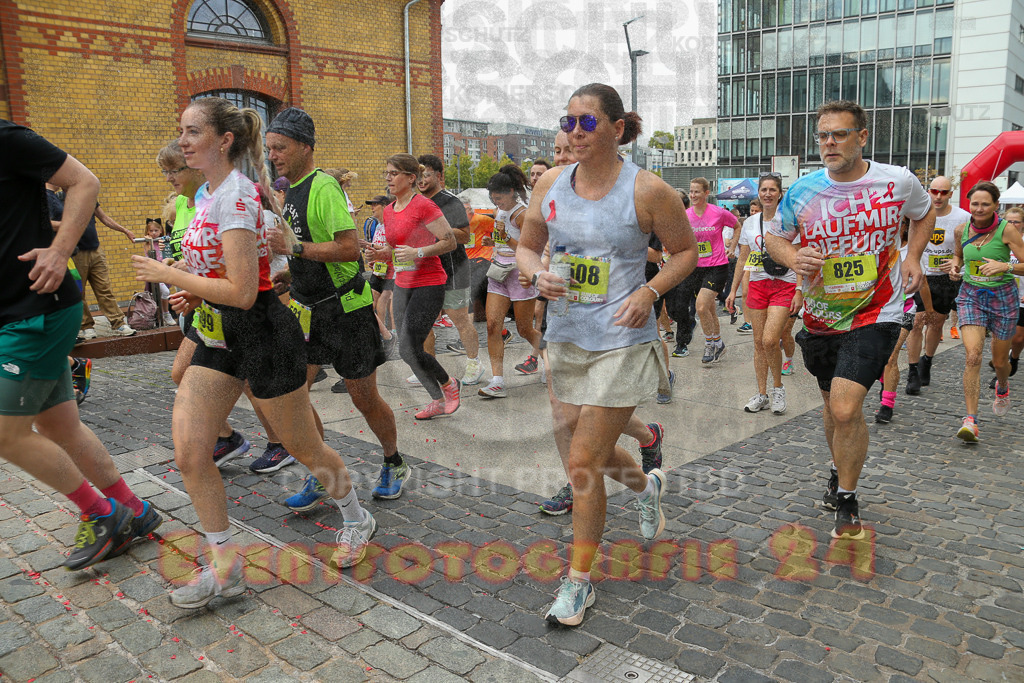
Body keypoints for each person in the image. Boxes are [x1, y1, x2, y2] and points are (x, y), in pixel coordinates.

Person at [131, 97, 377, 608]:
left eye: (193, 131)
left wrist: (170, 275)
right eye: (181, 130)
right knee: (190, 453)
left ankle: (356, 516)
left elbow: (245, 292)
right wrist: (194, 286)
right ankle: (226, 569)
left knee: (306, 448)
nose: (183, 141)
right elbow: (221, 272)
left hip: (264, 335)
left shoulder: (238, 196)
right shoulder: (206, 194)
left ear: (224, 140)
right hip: (217, 335)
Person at [517, 83, 696, 626]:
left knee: (581, 461)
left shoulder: (648, 190)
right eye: (568, 121)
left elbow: (685, 252)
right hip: (567, 336)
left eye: (587, 121)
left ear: (617, 129)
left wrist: (649, 291)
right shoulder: (550, 183)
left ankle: (578, 582)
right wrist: (536, 274)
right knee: (581, 447)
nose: (575, 131)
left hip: (622, 341)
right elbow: (527, 247)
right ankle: (646, 486)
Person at [765, 99, 934, 540]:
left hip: (878, 311)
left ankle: (847, 497)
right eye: (823, 135)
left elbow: (923, 213)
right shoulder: (802, 190)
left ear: (861, 137)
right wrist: (793, 256)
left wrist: (913, 256)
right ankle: (838, 470)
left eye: (839, 134)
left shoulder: (897, 181)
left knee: (844, 406)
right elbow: (775, 238)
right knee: (832, 407)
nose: (829, 143)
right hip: (821, 317)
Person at [1, 119, 161, 570]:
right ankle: (134, 508)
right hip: (18, 314)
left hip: (35, 311)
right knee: (59, 426)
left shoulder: (6, 139)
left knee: (6, 433)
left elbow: (85, 182)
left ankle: (103, 514)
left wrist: (59, 250)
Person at [258, 107, 403, 504]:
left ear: (305, 146)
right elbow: (308, 248)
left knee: (363, 398)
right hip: (306, 309)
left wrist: (295, 249)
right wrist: (291, 273)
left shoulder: (323, 187)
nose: (272, 155)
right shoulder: (291, 189)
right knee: (293, 396)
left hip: (346, 310)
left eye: (280, 147)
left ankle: (393, 461)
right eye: (269, 148)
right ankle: (324, 472)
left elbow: (349, 248)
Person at [158, 140, 251, 467]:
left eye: (173, 170)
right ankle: (226, 439)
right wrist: (182, 273)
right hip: (207, 307)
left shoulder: (231, 196)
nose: (168, 177)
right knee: (182, 374)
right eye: (165, 171)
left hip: (242, 310)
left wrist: (179, 274)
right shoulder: (189, 202)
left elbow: (237, 265)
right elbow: (198, 256)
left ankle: (283, 444)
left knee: (265, 396)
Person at [365, 154, 460, 420]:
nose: (388, 178)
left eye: (393, 173)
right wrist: (379, 253)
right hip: (402, 284)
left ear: (410, 178)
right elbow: (395, 249)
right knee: (406, 351)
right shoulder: (388, 210)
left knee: (410, 346)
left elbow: (450, 242)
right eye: (387, 173)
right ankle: (437, 400)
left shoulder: (424, 206)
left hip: (429, 283)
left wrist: (418, 252)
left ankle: (449, 384)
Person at [942, 182, 1024, 441]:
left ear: (996, 205)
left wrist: (1004, 266)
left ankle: (1003, 385)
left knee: (1000, 362)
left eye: (985, 204)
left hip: (1003, 298)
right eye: (975, 204)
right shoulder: (961, 229)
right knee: (973, 356)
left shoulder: (1007, 230)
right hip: (972, 296)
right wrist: (955, 267)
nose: (979, 209)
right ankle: (971, 420)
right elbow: (958, 256)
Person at [725, 173, 802, 415]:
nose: (767, 194)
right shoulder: (750, 223)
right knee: (758, 343)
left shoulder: (790, 221)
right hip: (758, 285)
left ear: (780, 194)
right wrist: (733, 290)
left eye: (772, 190)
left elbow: (799, 258)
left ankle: (778, 388)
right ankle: (762, 394)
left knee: (770, 340)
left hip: (784, 284)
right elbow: (743, 258)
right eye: (764, 190)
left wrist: (799, 290)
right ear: (758, 193)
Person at [417, 154, 484, 385]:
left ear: (439, 176)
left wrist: (436, 227)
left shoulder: (450, 201)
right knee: (423, 322)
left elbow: (464, 235)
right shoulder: (416, 201)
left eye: (426, 175)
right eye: (418, 176)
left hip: (453, 269)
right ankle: (430, 369)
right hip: (425, 270)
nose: (421, 180)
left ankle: (474, 363)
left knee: (460, 320)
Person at [478, 165, 543, 397]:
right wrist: (493, 242)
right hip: (498, 272)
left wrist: (505, 238)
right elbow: (502, 240)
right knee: (492, 325)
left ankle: (550, 359)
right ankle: (497, 380)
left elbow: (529, 249)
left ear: (512, 192)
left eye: (500, 198)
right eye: (494, 199)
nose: (498, 203)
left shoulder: (522, 214)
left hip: (519, 274)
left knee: (524, 329)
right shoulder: (500, 211)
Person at [905, 175, 971, 394]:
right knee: (917, 322)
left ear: (951, 194)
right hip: (921, 275)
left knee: (935, 322)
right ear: (928, 191)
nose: (938, 196)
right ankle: (912, 371)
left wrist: (958, 263)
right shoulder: (919, 214)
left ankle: (927, 360)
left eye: (943, 192)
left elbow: (972, 249)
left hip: (945, 279)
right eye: (934, 191)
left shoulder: (963, 217)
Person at [664, 178, 739, 360]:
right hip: (694, 267)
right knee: (709, 309)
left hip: (717, 266)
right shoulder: (686, 215)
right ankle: (718, 342)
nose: (693, 195)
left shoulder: (718, 213)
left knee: (701, 305)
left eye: (697, 191)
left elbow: (737, 226)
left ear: (706, 193)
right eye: (691, 191)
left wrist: (732, 247)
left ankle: (709, 344)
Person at [71, 195, 137, 340]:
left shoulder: (88, 196)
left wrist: (124, 230)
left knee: (104, 289)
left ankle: (119, 323)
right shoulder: (60, 198)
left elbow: (104, 217)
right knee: (79, 292)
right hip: (76, 252)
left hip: (95, 250)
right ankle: (86, 326)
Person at [986, 207, 1024, 390]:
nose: (1013, 225)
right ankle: (1001, 369)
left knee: (1017, 339)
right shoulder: (997, 240)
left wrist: (1006, 267)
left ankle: (1013, 358)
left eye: (1017, 221)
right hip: (1001, 296)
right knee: (1000, 336)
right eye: (1009, 221)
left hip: (1021, 296)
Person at [143, 219, 176, 326]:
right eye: (151, 231)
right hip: (154, 272)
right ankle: (166, 314)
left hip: (163, 271)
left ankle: (160, 315)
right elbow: (151, 253)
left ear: (161, 230)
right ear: (147, 232)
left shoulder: (162, 241)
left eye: (156, 230)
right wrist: (150, 241)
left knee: (162, 293)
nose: (153, 233)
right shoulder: (148, 243)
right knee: (165, 292)